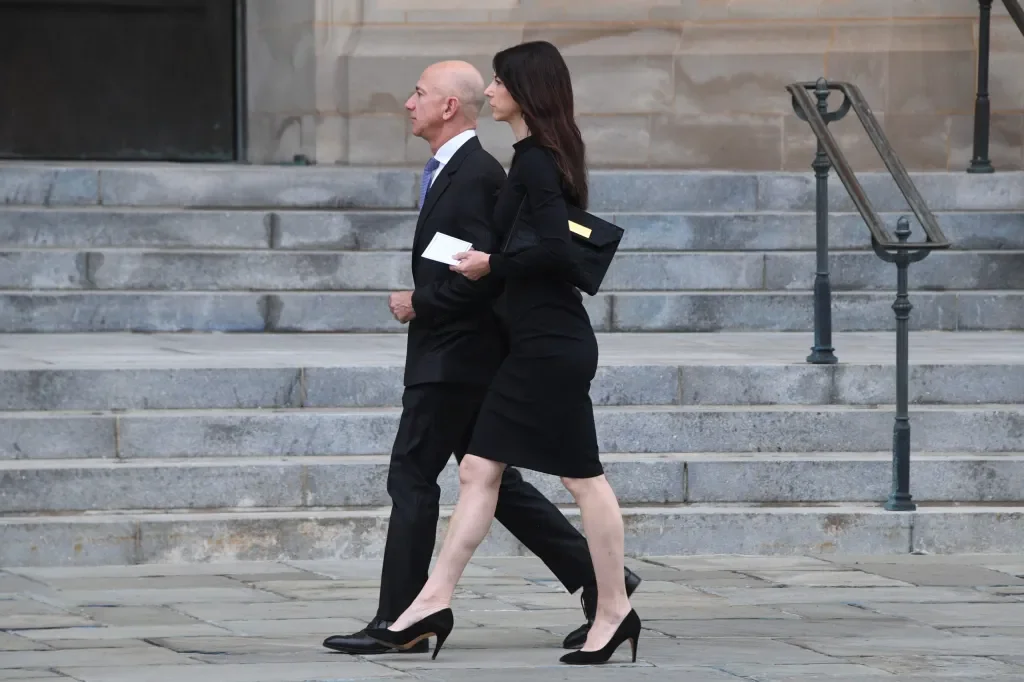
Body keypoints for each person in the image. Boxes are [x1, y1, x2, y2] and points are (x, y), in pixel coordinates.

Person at [322, 60, 640, 657]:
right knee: (487, 476)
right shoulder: (510, 163)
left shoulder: (496, 170)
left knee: (431, 476)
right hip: (507, 347)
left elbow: (533, 252)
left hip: (484, 352)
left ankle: (409, 615)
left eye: (420, 93)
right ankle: (437, 605)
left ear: (451, 106)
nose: (408, 102)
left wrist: (431, 296)